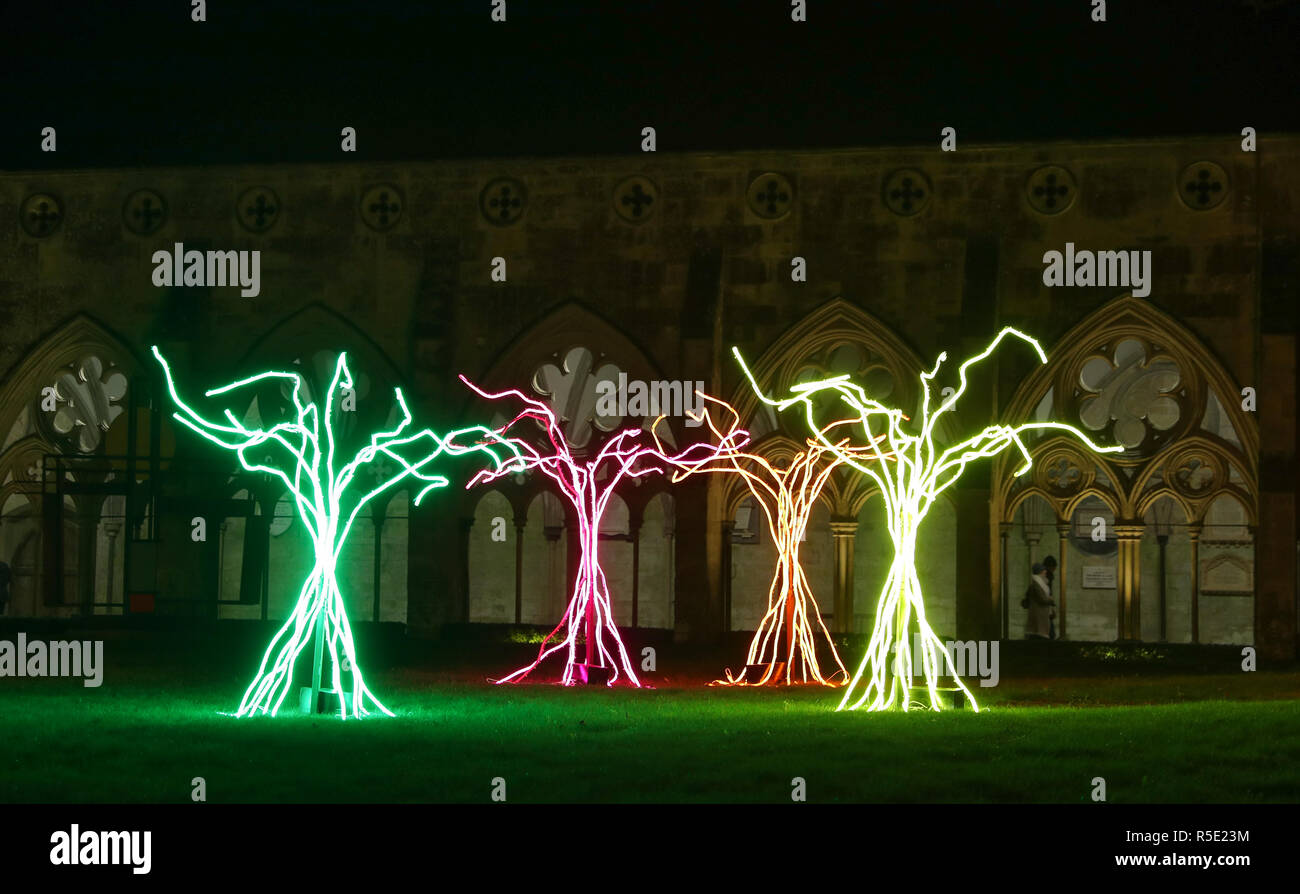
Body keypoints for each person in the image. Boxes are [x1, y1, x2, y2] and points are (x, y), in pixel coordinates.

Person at [1021, 561, 1055, 640]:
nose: (1045, 571)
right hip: (1039, 615)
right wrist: (1050, 599)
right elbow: (1043, 599)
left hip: (1042, 615)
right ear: (1040, 572)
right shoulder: (1037, 585)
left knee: (1045, 635)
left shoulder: (1040, 584)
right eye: (1043, 570)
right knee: (1040, 636)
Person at [1042, 555, 1058, 640]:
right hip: (1045, 608)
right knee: (1050, 634)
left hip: (1043, 608)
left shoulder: (1042, 576)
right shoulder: (1048, 576)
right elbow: (1048, 593)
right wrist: (1052, 607)